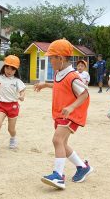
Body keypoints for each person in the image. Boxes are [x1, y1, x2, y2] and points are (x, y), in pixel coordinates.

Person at [34, 39, 93, 190]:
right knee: (63, 144)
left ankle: (58, 176)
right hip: (61, 115)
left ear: (60, 58)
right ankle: (82, 167)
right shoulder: (59, 72)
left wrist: (72, 107)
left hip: (71, 115)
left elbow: (85, 94)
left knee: (57, 140)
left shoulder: (73, 76)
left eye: (51, 57)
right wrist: (45, 84)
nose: (49, 60)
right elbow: (60, 86)